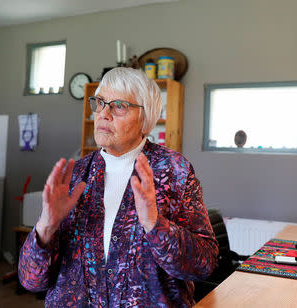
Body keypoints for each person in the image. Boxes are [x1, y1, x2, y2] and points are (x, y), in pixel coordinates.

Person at [19, 67, 219, 307]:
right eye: (100, 103)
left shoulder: (174, 171)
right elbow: (32, 282)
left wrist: (155, 225)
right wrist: (45, 228)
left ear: (145, 120)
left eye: (119, 106)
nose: (103, 114)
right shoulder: (75, 176)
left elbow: (205, 264)